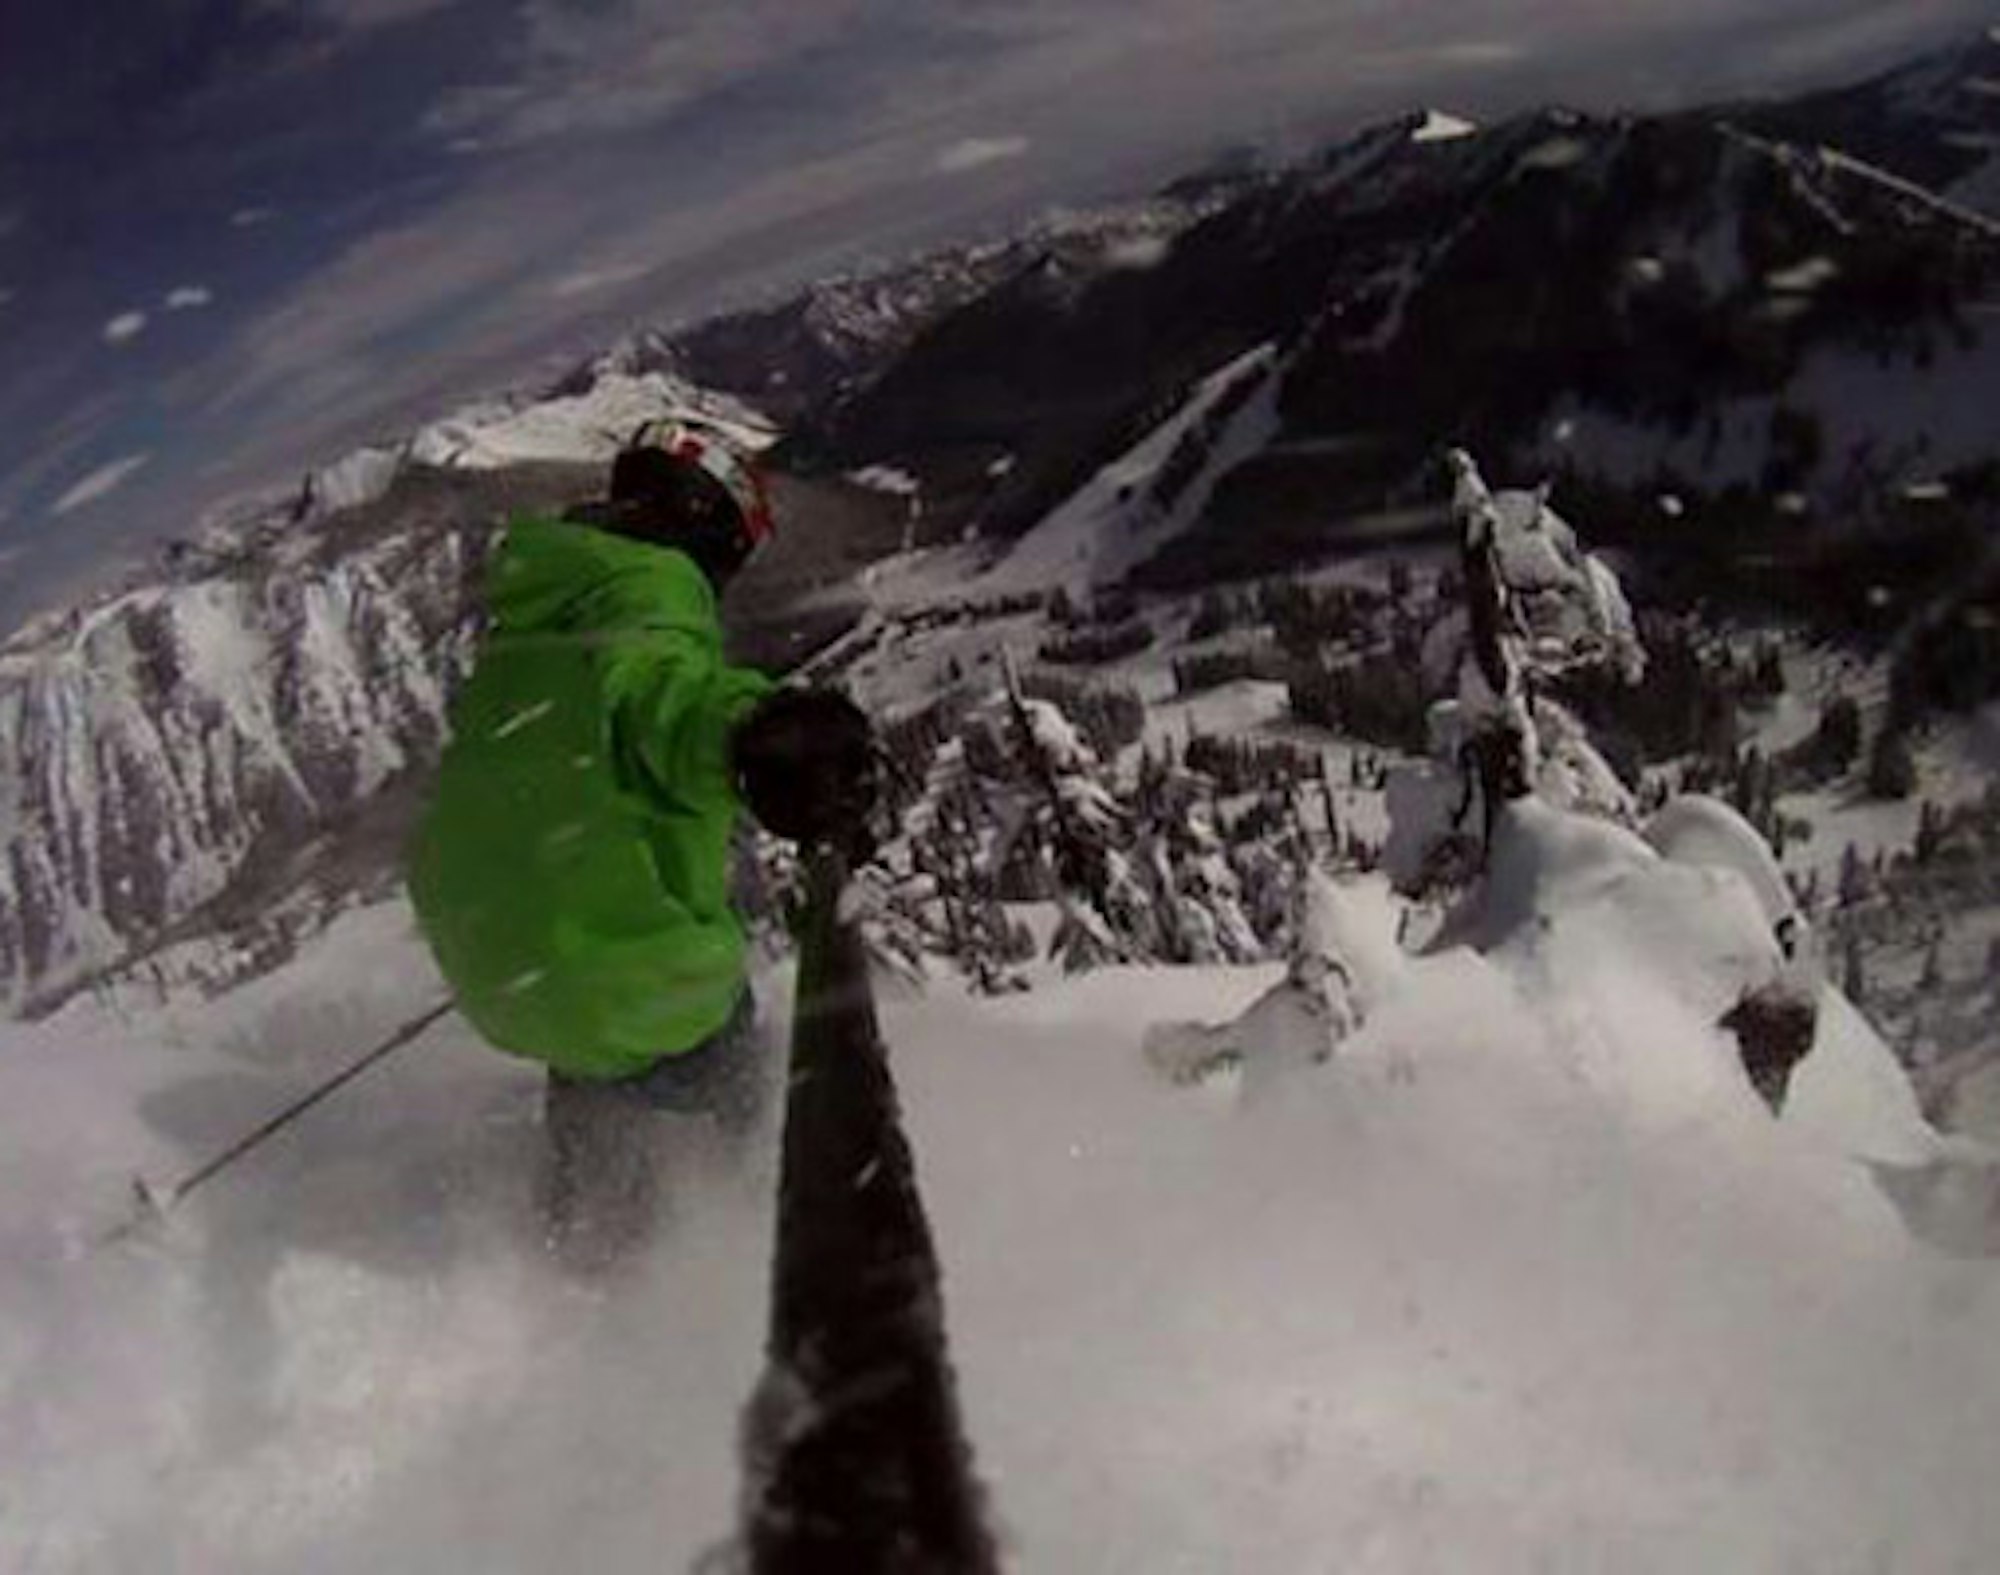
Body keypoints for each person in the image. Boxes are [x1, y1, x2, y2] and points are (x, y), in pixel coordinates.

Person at [409, 420, 876, 1271]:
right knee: (731, 1055)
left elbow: (552, 757)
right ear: (710, 523)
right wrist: (756, 735)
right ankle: (745, 1227)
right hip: (612, 974)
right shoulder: (651, 587)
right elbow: (661, 698)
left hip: (497, 969)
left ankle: (583, 1237)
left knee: (600, 1051)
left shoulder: (537, 604)